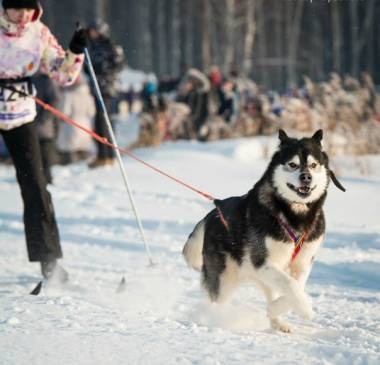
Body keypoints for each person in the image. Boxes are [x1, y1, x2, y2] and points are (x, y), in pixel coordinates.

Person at [0, 0, 87, 280]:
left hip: (19, 116)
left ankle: (49, 261)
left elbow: (63, 75)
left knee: (36, 186)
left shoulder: (38, 33)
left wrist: (75, 50)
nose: (23, 15)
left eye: (28, 8)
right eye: (17, 9)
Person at [85, 19, 125, 168]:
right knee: (99, 123)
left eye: (94, 31)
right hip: (97, 89)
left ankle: (108, 155)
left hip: (108, 89)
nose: (92, 34)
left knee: (105, 122)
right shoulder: (92, 48)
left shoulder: (111, 47)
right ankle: (102, 154)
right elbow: (87, 69)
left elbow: (118, 65)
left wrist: (102, 68)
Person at [56, 72, 96, 164]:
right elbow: (92, 111)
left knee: (71, 152)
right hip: (85, 125)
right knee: (84, 150)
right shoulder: (88, 95)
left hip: (72, 125)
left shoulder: (69, 95)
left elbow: (65, 112)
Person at [33, 71, 60, 184]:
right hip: (29, 127)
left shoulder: (46, 80)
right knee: (34, 158)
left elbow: (54, 101)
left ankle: (47, 180)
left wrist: (43, 118)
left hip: (44, 128)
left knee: (45, 157)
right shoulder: (27, 79)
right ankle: (37, 180)